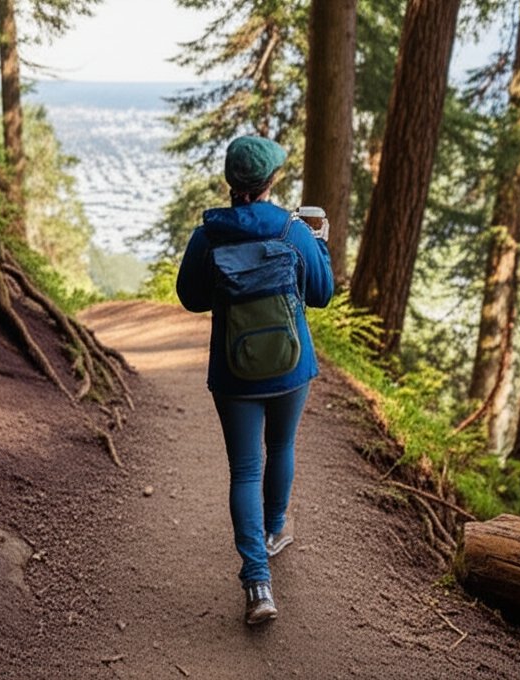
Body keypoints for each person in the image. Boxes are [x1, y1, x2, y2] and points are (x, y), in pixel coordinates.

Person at [176, 135, 334, 625]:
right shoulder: (292, 230)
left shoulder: (209, 235)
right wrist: (320, 246)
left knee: (245, 469)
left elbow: (190, 298)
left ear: (231, 183)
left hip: (233, 372)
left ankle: (258, 583)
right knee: (281, 447)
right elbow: (322, 294)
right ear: (270, 182)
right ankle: (274, 529)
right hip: (291, 368)